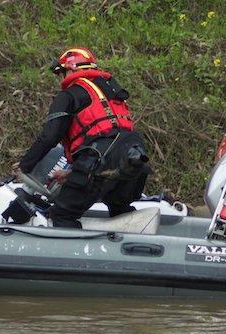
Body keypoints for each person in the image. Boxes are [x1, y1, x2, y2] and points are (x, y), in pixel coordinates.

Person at [13, 48, 151, 228]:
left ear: (69, 70)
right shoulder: (109, 93)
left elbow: (49, 137)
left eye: (61, 74)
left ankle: (75, 255)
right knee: (119, 208)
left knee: (62, 216)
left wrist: (25, 166)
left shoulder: (69, 95)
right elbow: (111, 143)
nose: (60, 80)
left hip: (102, 160)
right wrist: (71, 173)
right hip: (135, 161)